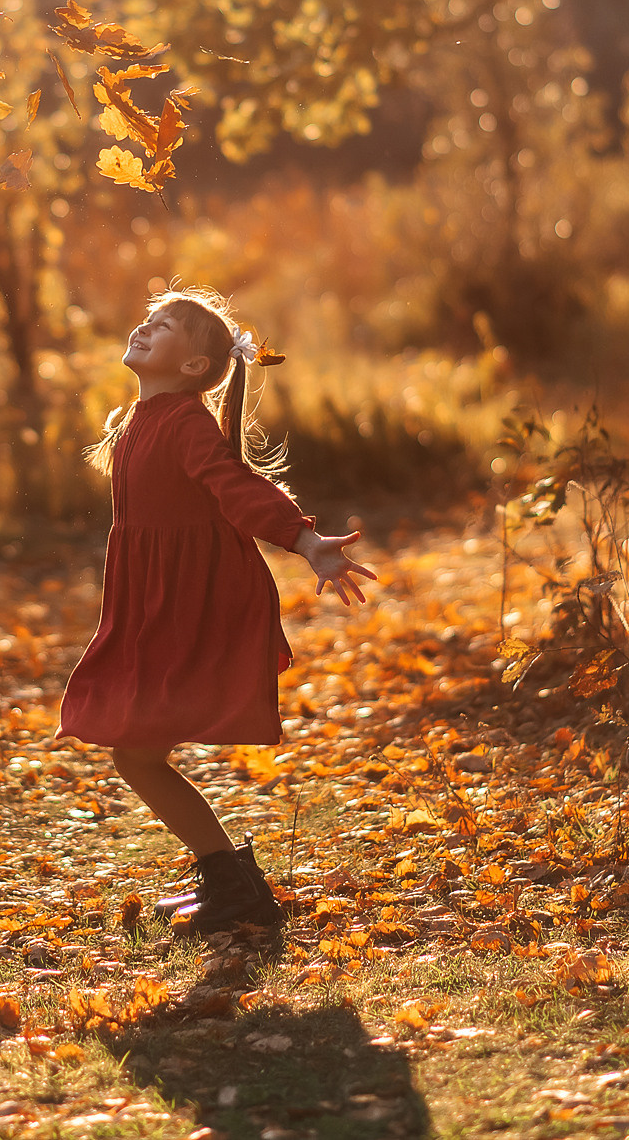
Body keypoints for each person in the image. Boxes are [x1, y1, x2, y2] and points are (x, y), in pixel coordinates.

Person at [57, 286, 377, 935]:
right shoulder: (137, 419)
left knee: (137, 749)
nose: (145, 326)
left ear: (196, 366)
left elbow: (236, 487)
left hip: (190, 600)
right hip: (152, 598)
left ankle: (235, 887)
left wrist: (305, 538)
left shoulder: (183, 421)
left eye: (165, 324)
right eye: (146, 317)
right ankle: (229, 882)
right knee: (136, 752)